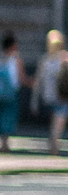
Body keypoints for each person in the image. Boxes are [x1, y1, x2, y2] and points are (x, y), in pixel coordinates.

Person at [40, 30, 66, 158]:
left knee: (54, 120)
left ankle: (52, 143)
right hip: (62, 95)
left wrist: (33, 101)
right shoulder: (64, 57)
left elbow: (39, 81)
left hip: (49, 96)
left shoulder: (45, 59)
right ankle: (54, 144)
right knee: (59, 120)